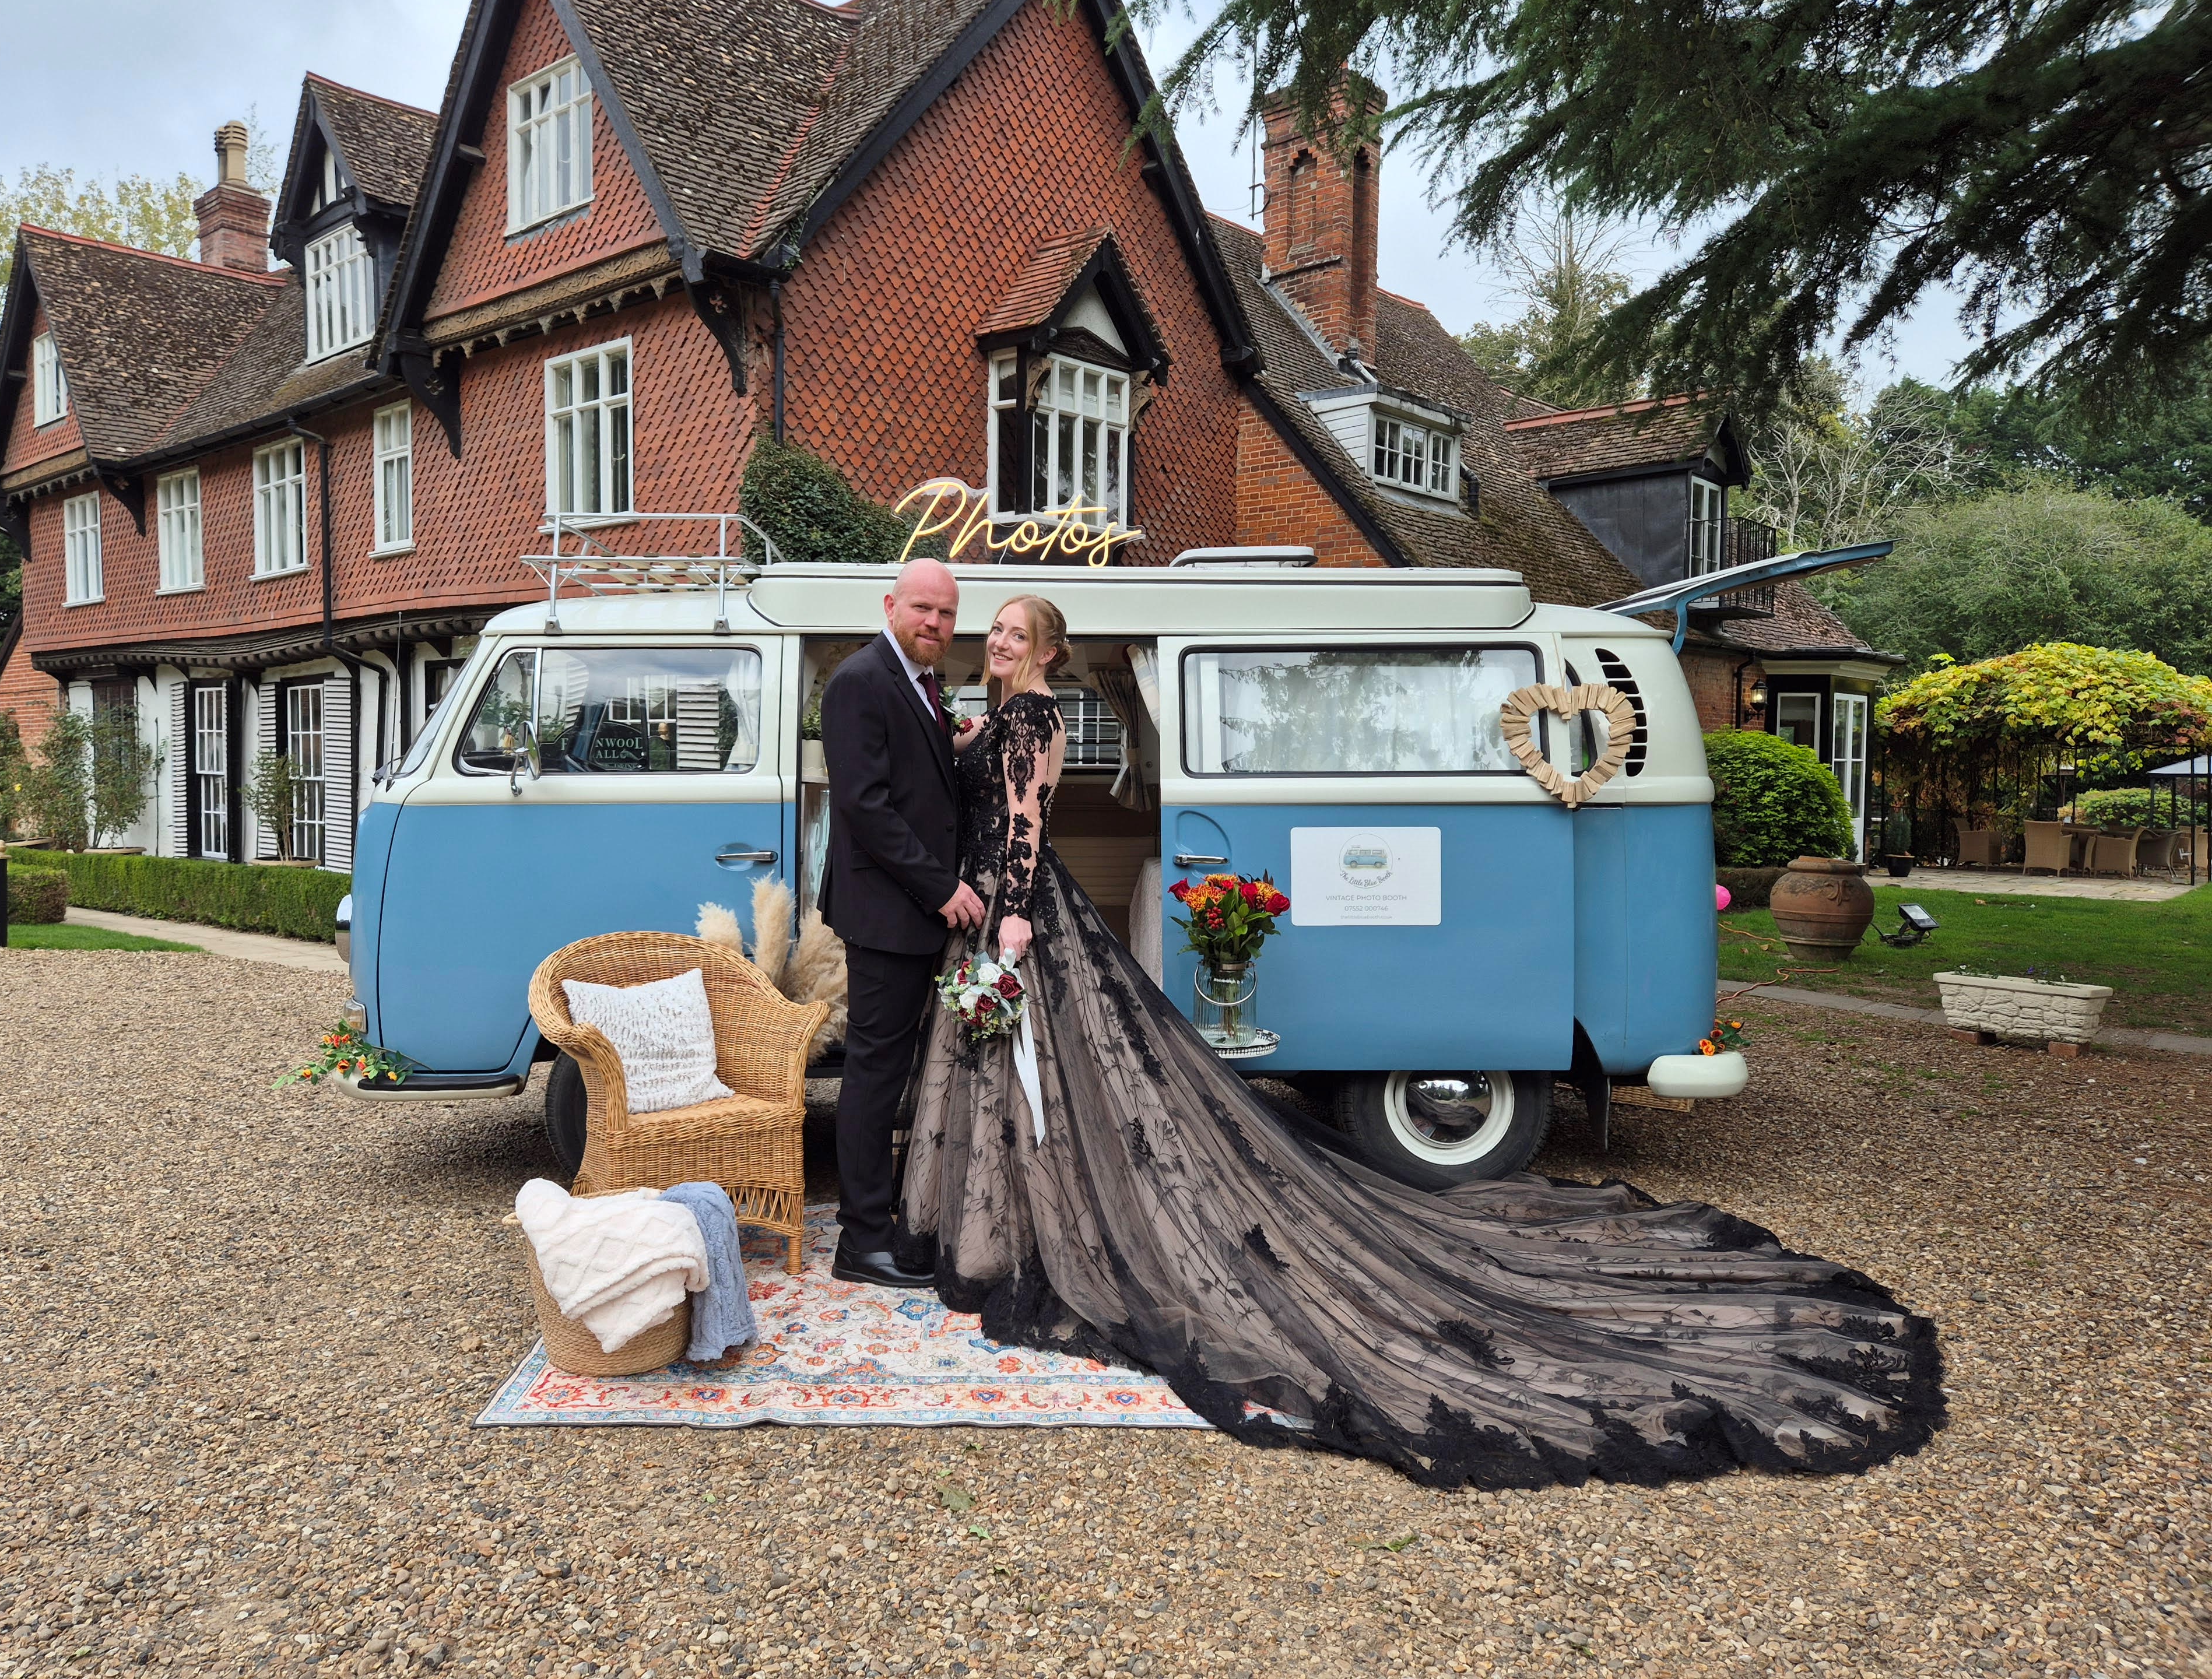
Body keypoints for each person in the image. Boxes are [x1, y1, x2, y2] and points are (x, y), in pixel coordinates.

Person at [894, 594, 1946, 1490]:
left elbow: (1025, 824)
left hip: (1015, 909)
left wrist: (1014, 914)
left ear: (1047, 647)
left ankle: (1019, 1221)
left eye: (1014, 630)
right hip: (998, 898)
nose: (998, 640)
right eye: (992, 630)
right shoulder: (1006, 713)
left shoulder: (1033, 716)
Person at [816, 559, 985, 1288]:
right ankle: (861, 1242)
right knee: (875, 1074)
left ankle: (881, 1219)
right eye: (922, 609)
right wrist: (940, 886)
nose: (934, 624)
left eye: (946, 614)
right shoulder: (859, 680)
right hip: (887, 913)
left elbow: (911, 777)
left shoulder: (920, 681)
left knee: (890, 1069)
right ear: (891, 607)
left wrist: (953, 743)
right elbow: (865, 804)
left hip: (905, 911)